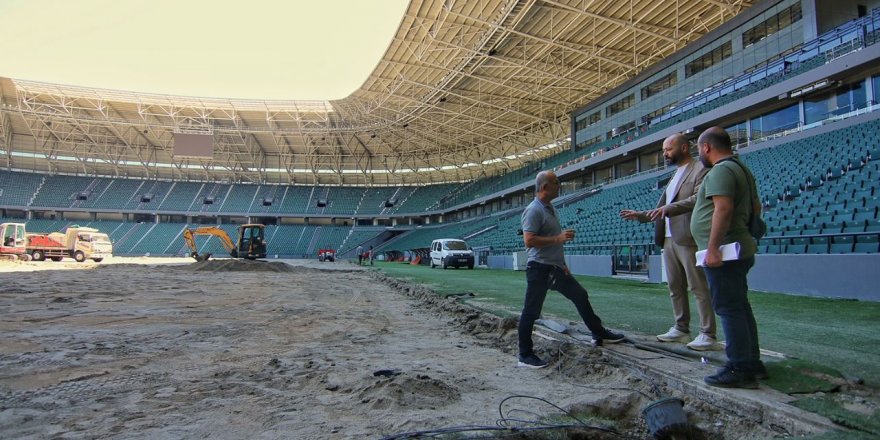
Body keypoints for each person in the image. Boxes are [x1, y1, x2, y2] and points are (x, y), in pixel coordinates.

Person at [620, 134, 720, 351]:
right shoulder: (674, 174)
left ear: (684, 148)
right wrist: (642, 215)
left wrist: (668, 209)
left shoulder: (700, 169)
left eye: (668, 149)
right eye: (664, 150)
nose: (664, 154)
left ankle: (707, 333)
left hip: (687, 238)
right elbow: (662, 207)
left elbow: (698, 199)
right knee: (675, 287)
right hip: (668, 238)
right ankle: (681, 329)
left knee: (698, 286)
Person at [517, 171, 625, 369]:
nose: (560, 185)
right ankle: (524, 355)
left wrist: (563, 263)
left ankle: (598, 332)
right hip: (539, 268)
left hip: (554, 268)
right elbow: (529, 240)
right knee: (531, 311)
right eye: (556, 183)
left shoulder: (550, 208)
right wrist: (558, 238)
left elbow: (550, 243)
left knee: (580, 295)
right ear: (544, 187)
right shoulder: (534, 210)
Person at [691, 126, 765, 389]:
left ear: (706, 147)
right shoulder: (742, 169)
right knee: (740, 306)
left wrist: (712, 248)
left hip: (725, 251)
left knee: (729, 307)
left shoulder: (721, 170)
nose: (699, 152)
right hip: (739, 247)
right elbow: (756, 206)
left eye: (699, 148)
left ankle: (739, 366)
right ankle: (752, 362)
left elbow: (722, 208)